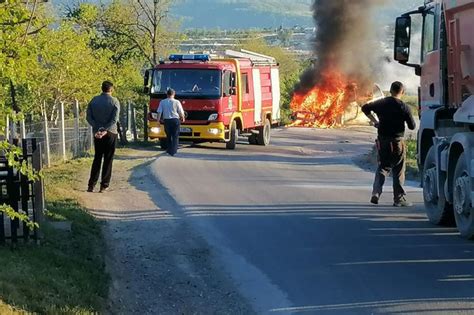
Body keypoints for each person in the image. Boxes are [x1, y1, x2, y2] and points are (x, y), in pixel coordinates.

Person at [362, 81, 416, 207]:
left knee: (383, 167)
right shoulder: (404, 106)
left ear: (390, 91)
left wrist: (376, 121)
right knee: (398, 169)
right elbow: (412, 126)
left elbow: (365, 108)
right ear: (402, 92)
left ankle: (376, 193)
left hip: (383, 141)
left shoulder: (381, 103)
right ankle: (399, 198)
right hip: (397, 142)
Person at [86, 81, 120, 193]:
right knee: (108, 159)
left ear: (102, 88)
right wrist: (105, 129)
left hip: (97, 133)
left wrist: (97, 128)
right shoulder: (114, 101)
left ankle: (91, 185)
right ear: (111, 89)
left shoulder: (94, 100)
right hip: (111, 132)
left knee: (97, 158)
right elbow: (114, 119)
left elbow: (89, 117)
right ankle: (104, 185)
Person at [157, 88, 185, 156]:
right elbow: (180, 111)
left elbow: (159, 112)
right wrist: (182, 117)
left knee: (168, 136)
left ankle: (169, 150)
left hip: (166, 121)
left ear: (167, 94)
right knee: (175, 136)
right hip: (175, 120)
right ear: (173, 94)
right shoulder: (177, 102)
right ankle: (174, 151)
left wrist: (158, 121)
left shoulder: (162, 102)